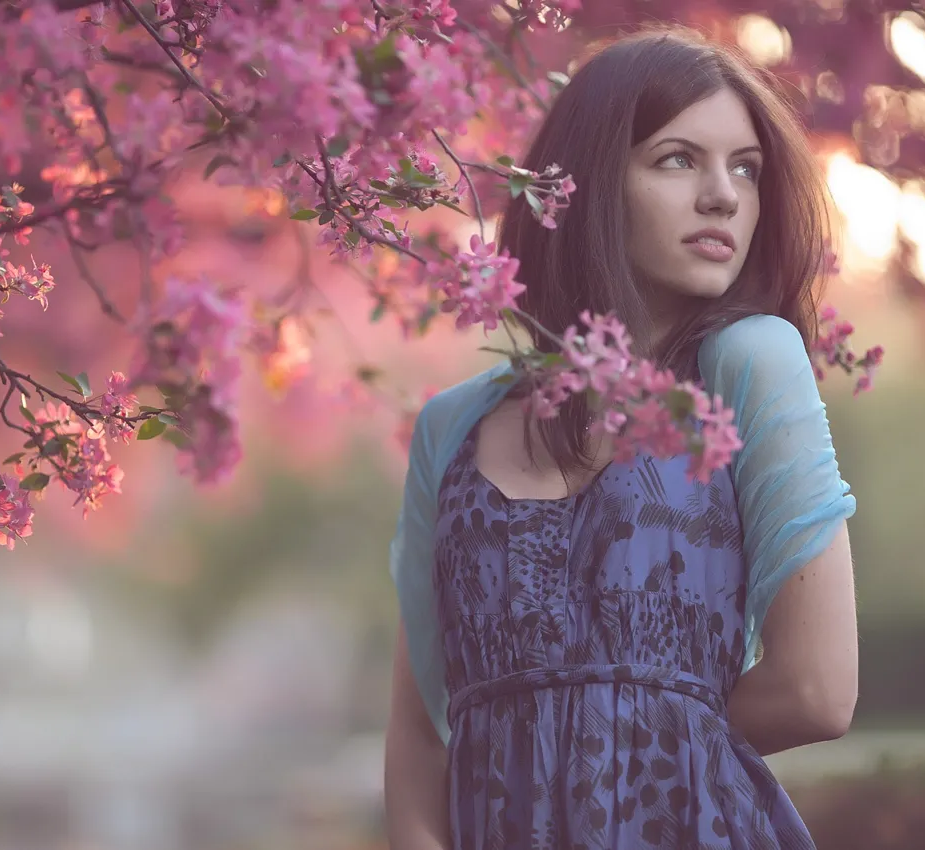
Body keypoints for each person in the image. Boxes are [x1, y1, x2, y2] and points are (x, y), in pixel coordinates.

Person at [383, 27, 860, 850]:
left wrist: (616, 718)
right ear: (592, 181)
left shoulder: (749, 361)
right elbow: (420, 730)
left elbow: (818, 689)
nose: (724, 197)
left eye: (744, 168)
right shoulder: (450, 428)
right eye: (678, 159)